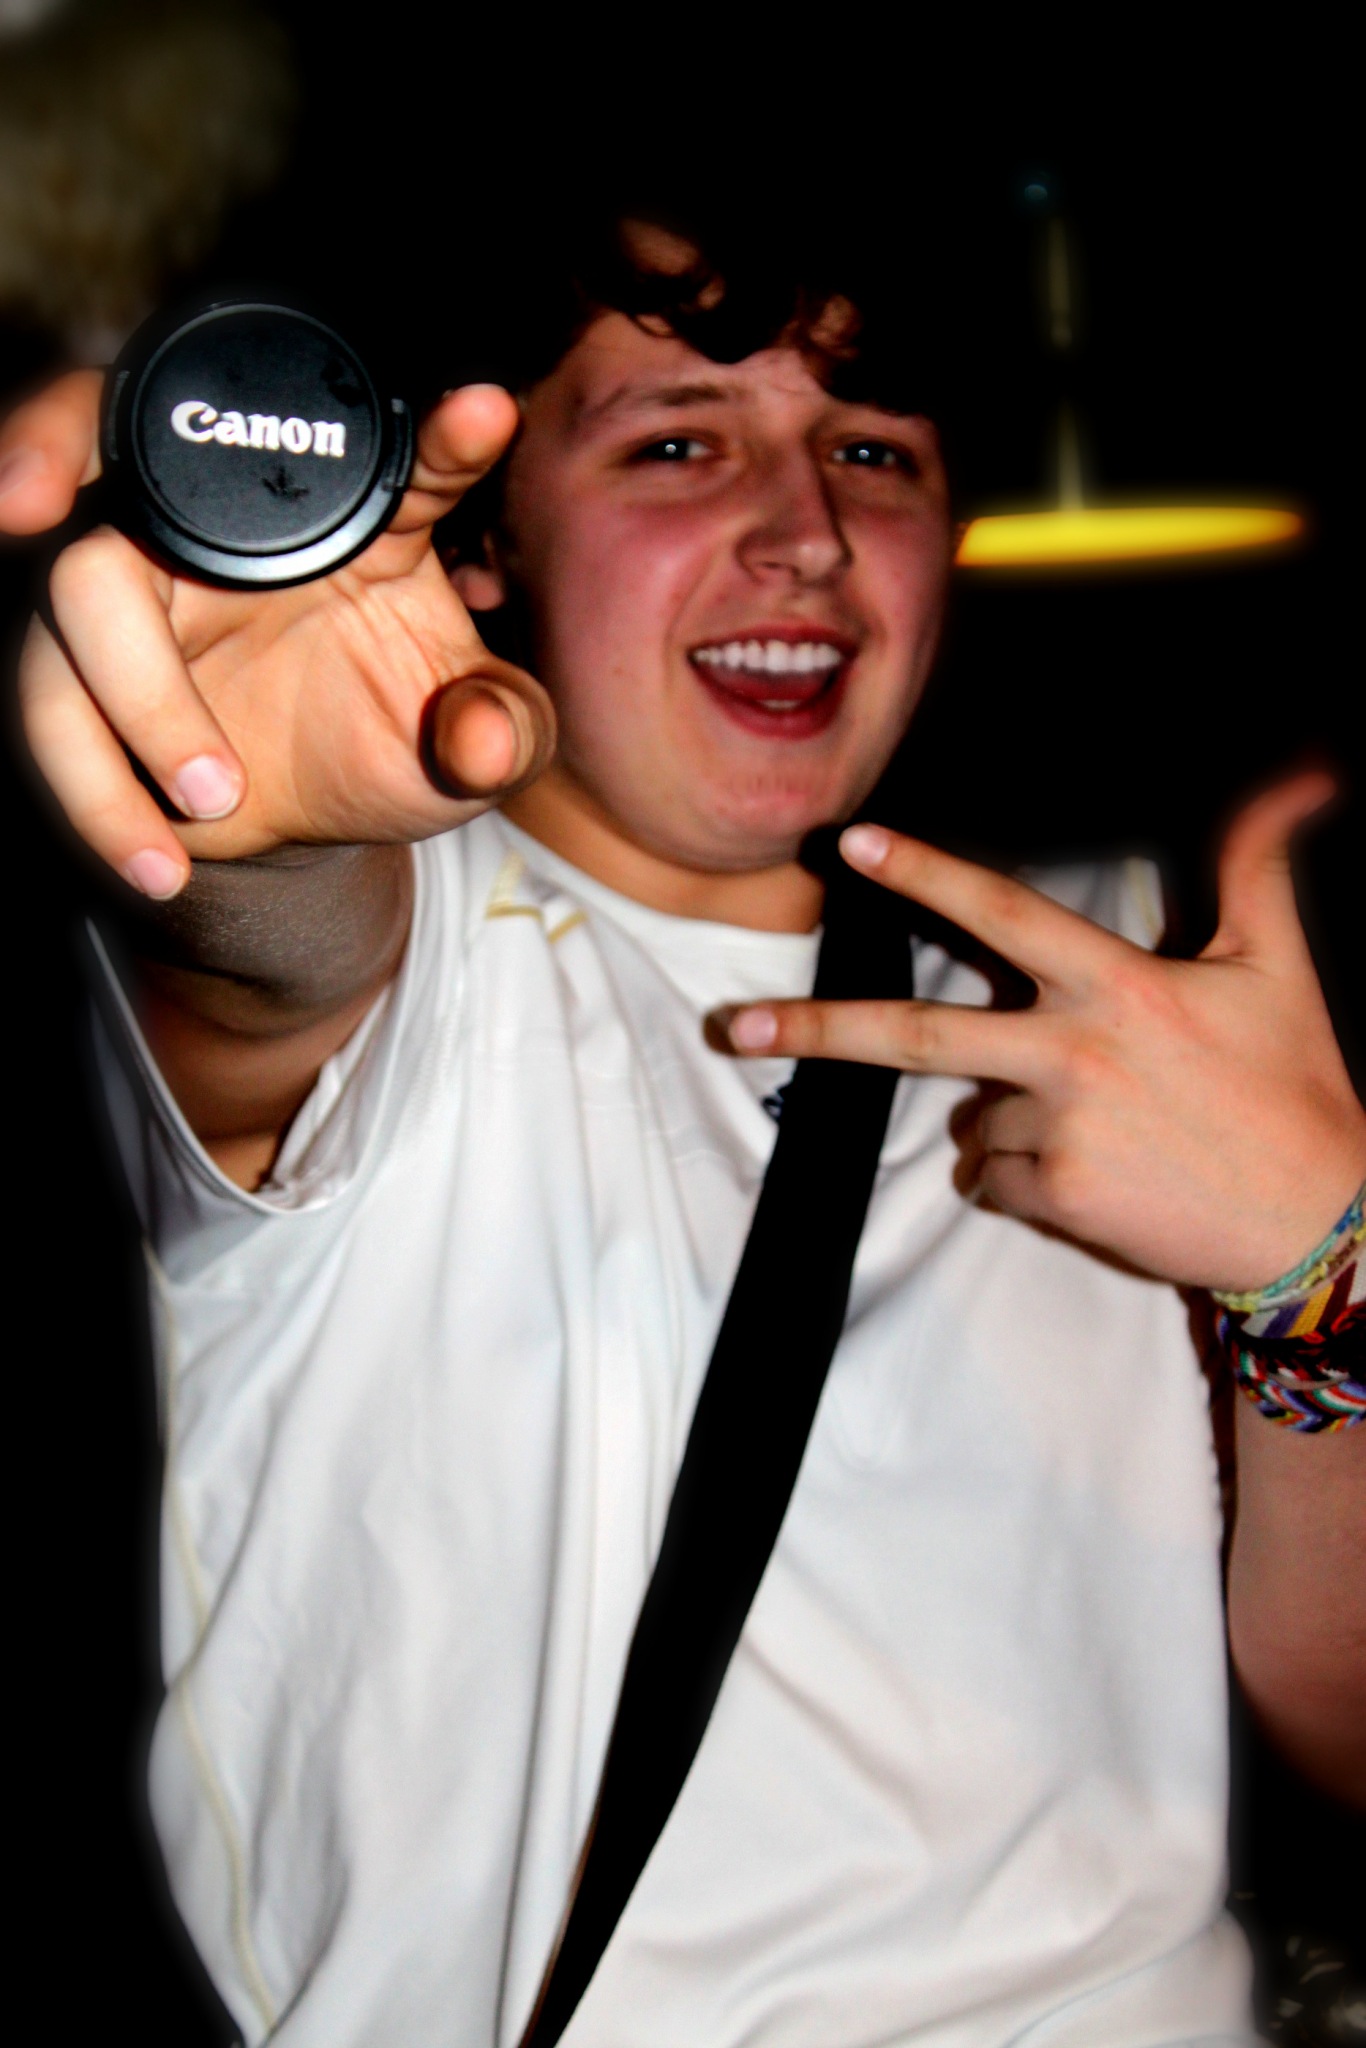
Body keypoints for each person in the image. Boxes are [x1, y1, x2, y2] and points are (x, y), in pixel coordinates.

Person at [1, 206, 1362, 2047]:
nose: (802, 534)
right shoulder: (424, 964)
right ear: (488, 541)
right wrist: (246, 811)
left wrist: (1320, 1267)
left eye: (870, 452)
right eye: (674, 444)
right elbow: (276, 963)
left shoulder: (1154, 982)